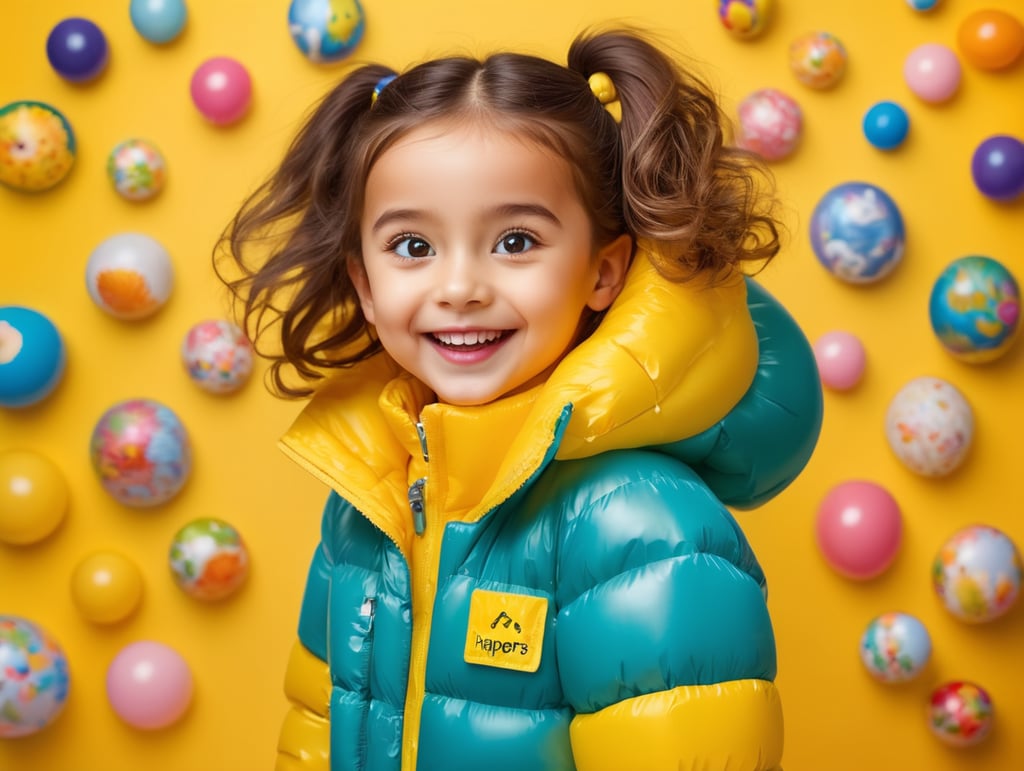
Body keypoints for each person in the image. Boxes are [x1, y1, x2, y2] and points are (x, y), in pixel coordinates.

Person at [216, 26, 822, 771]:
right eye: (413, 246)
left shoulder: (640, 523)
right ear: (365, 286)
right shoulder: (369, 494)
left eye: (515, 241)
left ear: (603, 271)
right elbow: (320, 715)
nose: (461, 287)